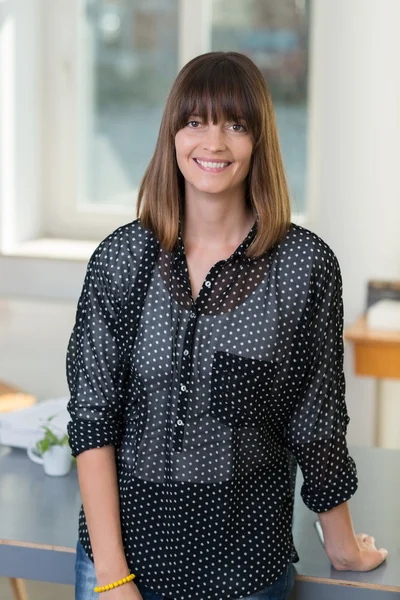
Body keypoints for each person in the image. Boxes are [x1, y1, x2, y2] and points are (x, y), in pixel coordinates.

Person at [66, 51, 388, 600]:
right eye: (195, 122)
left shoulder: (303, 268)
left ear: (259, 141)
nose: (213, 144)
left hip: (245, 576)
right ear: (172, 134)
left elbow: (316, 420)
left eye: (235, 125)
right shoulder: (122, 259)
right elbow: (94, 420)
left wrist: (342, 547)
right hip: (122, 568)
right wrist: (113, 579)